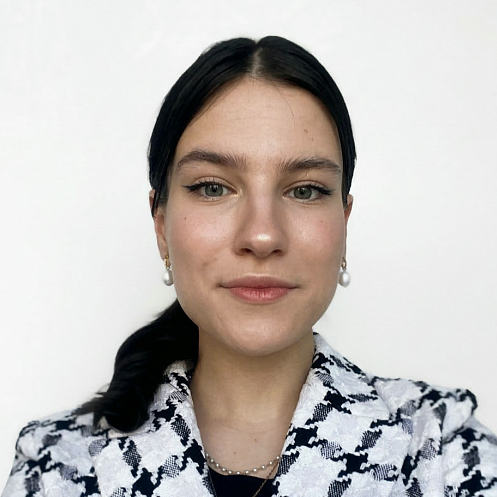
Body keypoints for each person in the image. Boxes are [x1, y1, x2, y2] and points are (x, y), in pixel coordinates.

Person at [2, 36, 497, 497]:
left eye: (306, 190)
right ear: (161, 226)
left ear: (344, 223)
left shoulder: (444, 451)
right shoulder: (58, 468)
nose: (262, 236)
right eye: (213, 187)